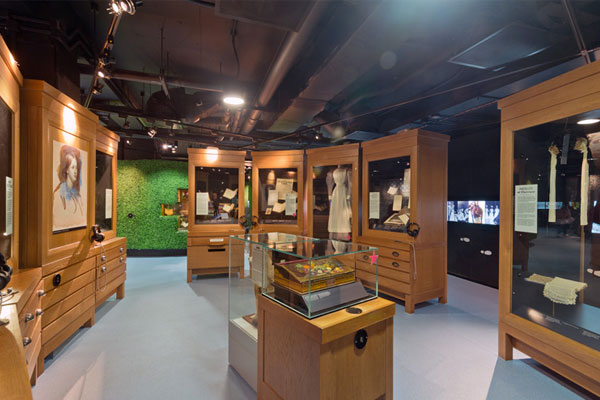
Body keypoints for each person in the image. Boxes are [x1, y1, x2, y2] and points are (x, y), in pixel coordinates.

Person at [53, 145, 84, 219]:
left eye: (76, 167)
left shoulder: (77, 194)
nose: (75, 171)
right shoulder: (59, 194)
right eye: (72, 167)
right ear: (66, 169)